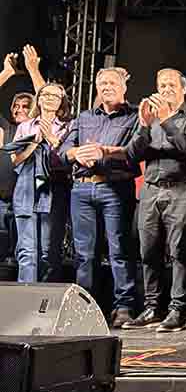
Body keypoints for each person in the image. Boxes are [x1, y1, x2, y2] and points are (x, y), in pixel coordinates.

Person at [120, 68, 186, 333]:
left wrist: (166, 120)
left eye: (171, 85)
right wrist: (145, 126)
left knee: (180, 251)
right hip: (151, 190)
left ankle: (178, 309)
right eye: (162, 86)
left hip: (181, 189)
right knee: (148, 252)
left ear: (183, 89)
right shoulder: (149, 117)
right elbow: (132, 155)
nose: (166, 90)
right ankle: (153, 307)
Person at [59, 67, 141, 328]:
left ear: (124, 87)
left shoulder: (135, 116)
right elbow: (63, 149)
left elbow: (135, 151)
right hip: (82, 189)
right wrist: (77, 154)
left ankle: (124, 307)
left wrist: (103, 152)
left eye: (112, 83)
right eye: (102, 83)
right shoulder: (84, 117)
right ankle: (87, 309)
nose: (107, 87)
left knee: (119, 250)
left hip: (115, 188)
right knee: (85, 254)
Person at [8, 83, 70, 282]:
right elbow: (15, 161)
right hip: (26, 187)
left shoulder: (68, 127)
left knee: (48, 251)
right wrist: (34, 142)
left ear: (62, 103)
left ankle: (46, 296)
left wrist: (51, 138)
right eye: (45, 94)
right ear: (39, 99)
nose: (49, 98)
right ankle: (25, 295)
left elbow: (68, 161)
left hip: (52, 187)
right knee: (26, 251)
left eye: (55, 96)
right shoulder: (25, 126)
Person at [0, 45, 46, 263]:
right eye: (15, 106)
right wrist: (6, 73)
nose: (19, 109)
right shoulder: (7, 129)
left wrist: (33, 70)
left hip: (31, 201)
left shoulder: (40, 129)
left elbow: (48, 100)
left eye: (25, 106)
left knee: (29, 252)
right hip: (2, 201)